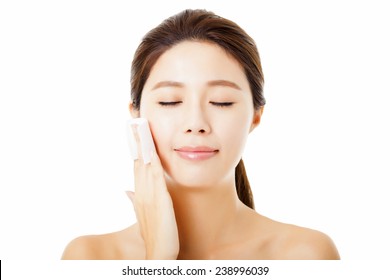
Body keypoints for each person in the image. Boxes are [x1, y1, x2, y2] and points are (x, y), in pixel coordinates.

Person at [62, 9, 340, 260]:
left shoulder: (305, 255)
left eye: (221, 101)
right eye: (170, 101)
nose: (196, 123)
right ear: (136, 114)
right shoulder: (90, 258)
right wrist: (158, 259)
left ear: (256, 115)